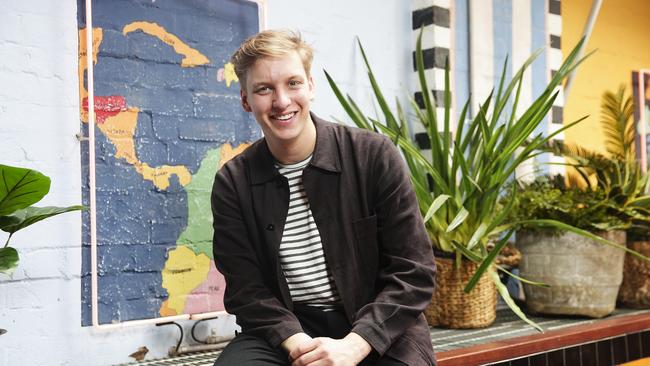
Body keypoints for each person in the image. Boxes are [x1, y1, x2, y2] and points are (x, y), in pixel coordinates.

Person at [211, 29, 437, 366]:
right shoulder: (232, 183)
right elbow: (247, 291)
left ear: (311, 86)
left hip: (378, 324)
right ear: (246, 99)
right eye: (264, 89)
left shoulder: (374, 156)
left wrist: (355, 345)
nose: (282, 101)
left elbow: (413, 271)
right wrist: (302, 348)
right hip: (287, 329)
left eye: (293, 83)